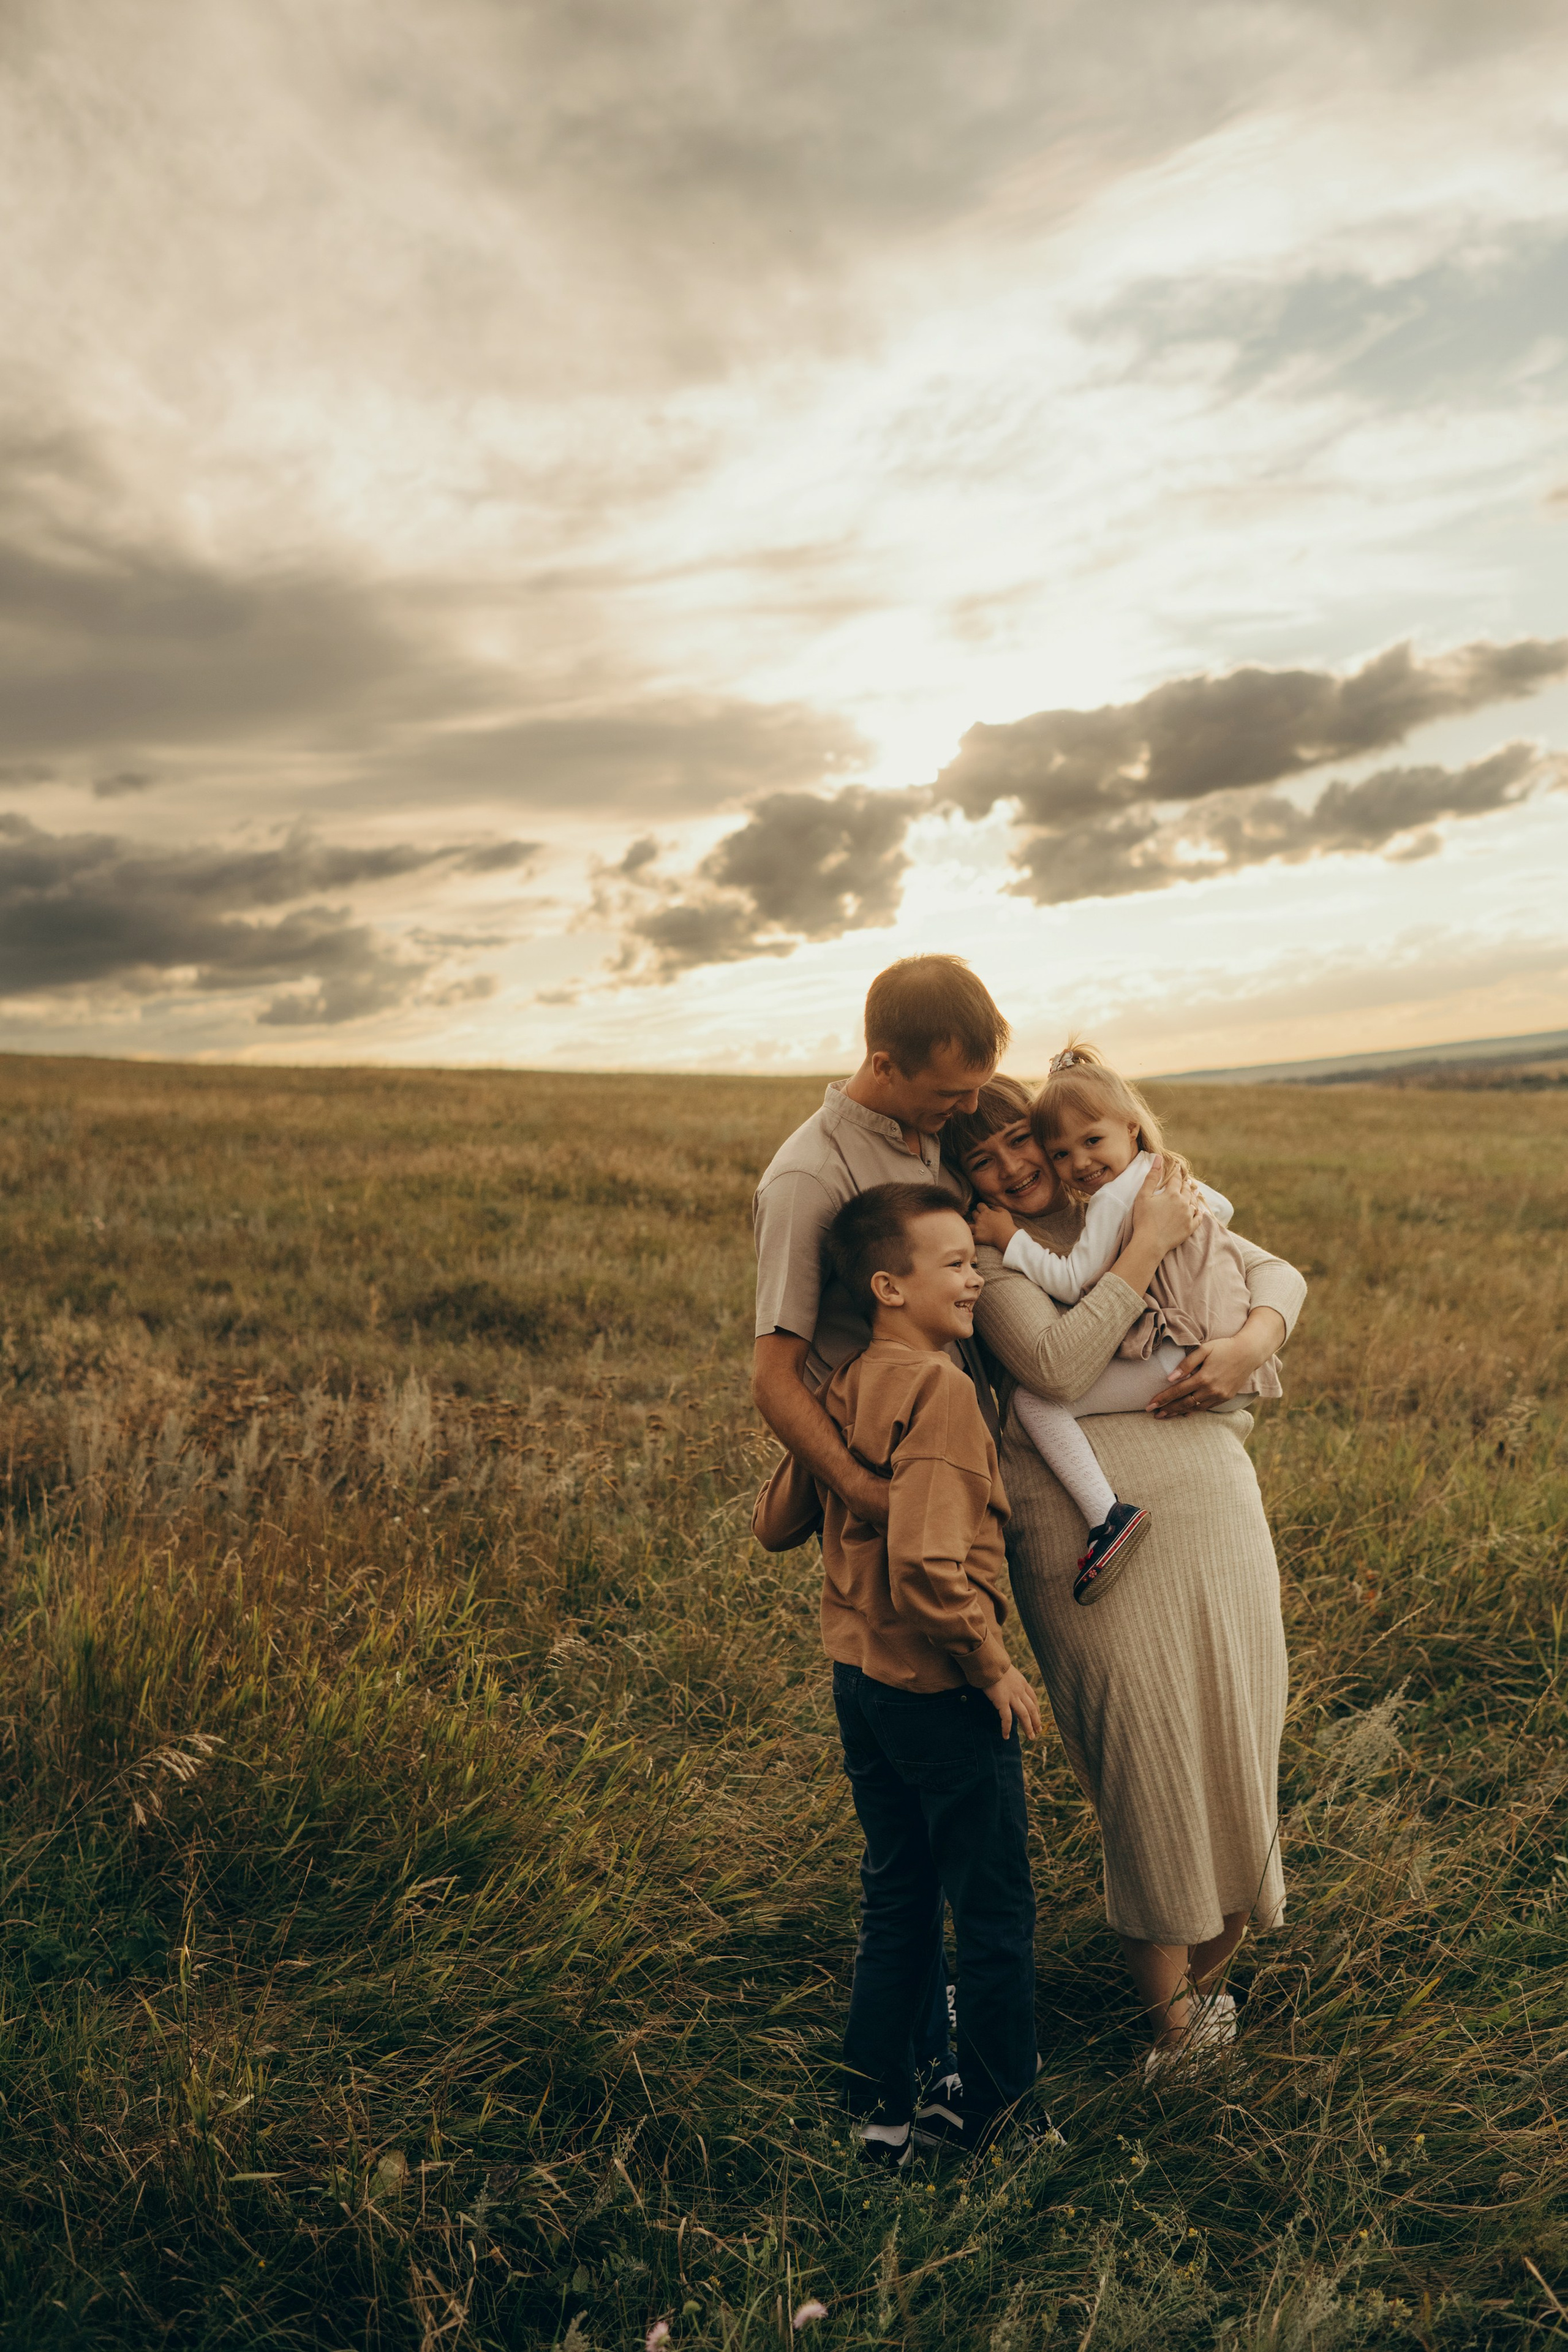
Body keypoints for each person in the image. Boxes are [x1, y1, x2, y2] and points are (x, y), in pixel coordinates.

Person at [944, 1076, 1306, 2074]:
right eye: (983, 1160)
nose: (1016, 1168)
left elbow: (1277, 1274)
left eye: (1025, 1142)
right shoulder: (991, 1256)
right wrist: (1144, 1248)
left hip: (1215, 1509)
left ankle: (1210, 1991)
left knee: (1236, 1739)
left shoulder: (1137, 1193)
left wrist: (1246, 1344)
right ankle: (1173, 2035)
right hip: (1088, 1542)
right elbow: (1055, 1367)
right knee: (1146, 1763)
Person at [749, 953, 1010, 2120]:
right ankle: (961, 2088)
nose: (966, 1110)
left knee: (906, 1862)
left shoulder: (927, 1138)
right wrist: (869, 1492)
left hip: (947, 1494)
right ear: (884, 1063)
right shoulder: (810, 1178)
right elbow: (774, 1375)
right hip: (901, 1533)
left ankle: (895, 2086)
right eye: (949, 1092)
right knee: (943, 1853)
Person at [752, 1183, 1045, 2163]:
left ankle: (879, 2105)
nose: (975, 1279)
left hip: (861, 1685)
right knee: (994, 1910)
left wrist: (839, 1456)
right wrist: (993, 1667)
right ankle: (995, 2116)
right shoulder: (942, 1390)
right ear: (888, 1286)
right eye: (955, 1264)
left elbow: (775, 1524)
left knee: (899, 1895)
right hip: (940, 1688)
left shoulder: (847, 1381)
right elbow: (925, 1567)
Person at [968, 1042, 1283, 1607]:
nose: (1080, 1162)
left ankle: (1107, 1517)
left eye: (1092, 1141)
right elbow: (1221, 1210)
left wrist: (1010, 1238)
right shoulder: (1162, 1175)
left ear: (1131, 1127)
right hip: (1213, 1358)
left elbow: (1072, 1282)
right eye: (1064, 1152)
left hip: (1188, 1359)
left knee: (1034, 1406)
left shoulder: (1111, 1204)